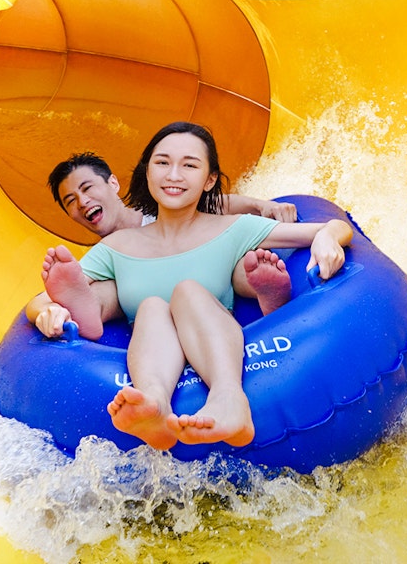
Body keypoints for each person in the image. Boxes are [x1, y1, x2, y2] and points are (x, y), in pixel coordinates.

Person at [26, 121, 353, 451]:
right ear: (147, 172)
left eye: (189, 165)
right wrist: (49, 310)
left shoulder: (232, 228)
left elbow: (335, 226)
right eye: (162, 163)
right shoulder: (117, 246)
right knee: (151, 307)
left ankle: (229, 398)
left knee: (187, 291)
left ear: (209, 180)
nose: (173, 175)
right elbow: (38, 300)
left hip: (209, 328)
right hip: (153, 344)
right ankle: (154, 404)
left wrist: (326, 237)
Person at [44, 151, 298, 312]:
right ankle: (87, 312)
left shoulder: (160, 209)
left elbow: (216, 205)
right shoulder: (104, 259)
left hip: (212, 276)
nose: (82, 201)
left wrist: (261, 205)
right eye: (70, 201)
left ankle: (267, 290)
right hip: (161, 310)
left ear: (112, 183)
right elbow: (55, 293)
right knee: (107, 289)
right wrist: (52, 309)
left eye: (87, 188)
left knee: (241, 263)